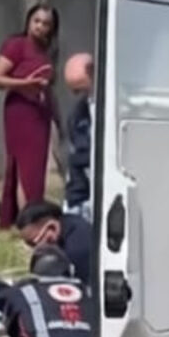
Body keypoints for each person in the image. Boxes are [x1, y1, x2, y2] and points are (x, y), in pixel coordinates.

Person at [0, 4, 63, 229]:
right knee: (25, 168)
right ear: (28, 21)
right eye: (36, 21)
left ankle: (30, 215)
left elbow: (49, 89)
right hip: (20, 112)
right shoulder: (16, 45)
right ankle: (28, 222)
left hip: (40, 114)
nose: (40, 27)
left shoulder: (47, 51)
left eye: (46, 24)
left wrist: (57, 118)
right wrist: (24, 84)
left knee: (37, 169)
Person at [16, 201, 93, 286]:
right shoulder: (70, 221)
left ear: (52, 227)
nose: (35, 249)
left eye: (33, 243)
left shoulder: (76, 250)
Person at [63, 52, 94, 221]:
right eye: (74, 90)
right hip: (83, 192)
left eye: (80, 88)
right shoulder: (78, 115)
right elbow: (75, 162)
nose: (78, 94)